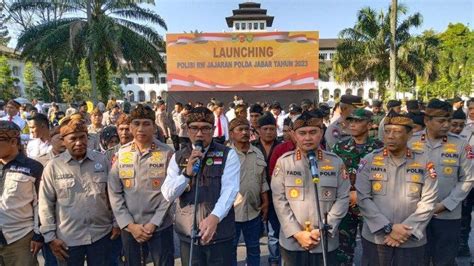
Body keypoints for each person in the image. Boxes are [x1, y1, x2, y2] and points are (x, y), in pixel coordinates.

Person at [356, 111, 439, 265]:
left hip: (410, 240)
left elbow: (428, 202)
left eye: (397, 132)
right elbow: (363, 198)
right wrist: (388, 228)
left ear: (409, 135)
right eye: (387, 131)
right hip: (377, 238)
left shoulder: (424, 162)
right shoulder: (369, 160)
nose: (390, 136)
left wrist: (404, 231)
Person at [162, 107, 240, 265]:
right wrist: (186, 174)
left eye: (205, 128)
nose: (199, 134)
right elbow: (168, 193)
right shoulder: (178, 157)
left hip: (220, 235)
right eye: (194, 128)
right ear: (187, 129)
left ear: (213, 130)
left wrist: (214, 217)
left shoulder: (227, 154)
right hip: (188, 234)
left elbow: (230, 191)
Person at [39, 114, 120, 265]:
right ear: (64, 141)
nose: (79, 143)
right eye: (73, 139)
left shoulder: (101, 161)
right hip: (68, 239)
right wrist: (50, 237)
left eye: (82, 137)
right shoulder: (53, 167)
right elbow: (45, 204)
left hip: (101, 234)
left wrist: (116, 223)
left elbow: (113, 194)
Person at [272, 110, 350, 265]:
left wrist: (323, 230)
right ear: (294, 135)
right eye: (302, 133)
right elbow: (279, 200)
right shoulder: (284, 163)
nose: (307, 138)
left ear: (321, 133)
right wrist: (297, 233)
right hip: (293, 243)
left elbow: (343, 198)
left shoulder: (335, 162)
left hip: (325, 242)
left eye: (313, 132)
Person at [408, 99, 473, 265]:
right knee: (416, 259)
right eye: (441, 121)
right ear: (426, 120)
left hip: (447, 215)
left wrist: (445, 204)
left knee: (444, 260)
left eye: (448, 120)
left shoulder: (460, 145)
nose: (446, 125)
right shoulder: (410, 142)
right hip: (414, 213)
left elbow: (467, 179)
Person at [108, 104, 175, 265]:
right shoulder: (122, 154)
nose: (141, 128)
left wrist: (154, 223)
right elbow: (114, 192)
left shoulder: (167, 153)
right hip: (131, 228)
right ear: (130, 127)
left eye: (146, 123)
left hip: (160, 226)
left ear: (154, 127)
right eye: (136, 123)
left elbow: (170, 193)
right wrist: (129, 225)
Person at [332, 109, 384, 265]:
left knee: (372, 250)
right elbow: (333, 176)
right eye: (351, 121)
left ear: (369, 125)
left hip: (371, 205)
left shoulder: (379, 149)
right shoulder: (339, 148)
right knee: (342, 251)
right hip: (345, 206)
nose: (352, 124)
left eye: (358, 121)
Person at [0, 121, 44, 266]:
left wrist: (38, 236)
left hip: (20, 239)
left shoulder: (33, 168)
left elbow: (40, 204)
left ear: (13, 141)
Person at [229, 117, 269, 266]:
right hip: (231, 212)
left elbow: (262, 180)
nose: (245, 132)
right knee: (231, 249)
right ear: (232, 133)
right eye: (240, 129)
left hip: (254, 210)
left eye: (247, 129)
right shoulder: (226, 154)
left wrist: (266, 202)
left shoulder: (257, 152)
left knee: (254, 248)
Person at [252, 112, 282, 266]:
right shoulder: (252, 147)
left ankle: (274, 261)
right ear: (258, 130)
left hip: (277, 195)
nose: (269, 132)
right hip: (256, 196)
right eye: (265, 129)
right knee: (254, 234)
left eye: (272, 129)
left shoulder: (282, 146)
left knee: (274, 232)